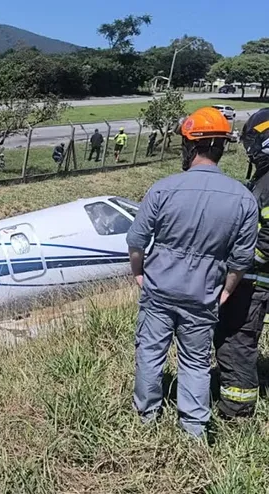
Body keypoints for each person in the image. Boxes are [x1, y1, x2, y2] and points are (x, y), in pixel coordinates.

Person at [126, 106, 258, 439]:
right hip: (204, 294)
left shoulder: (163, 188)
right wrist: (225, 291)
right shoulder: (243, 199)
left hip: (159, 288)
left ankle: (146, 417)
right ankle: (194, 428)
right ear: (221, 147)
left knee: (150, 353)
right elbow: (240, 260)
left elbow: (137, 241)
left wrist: (140, 274)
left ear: (189, 145)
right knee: (195, 362)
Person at [214, 108, 269, 419]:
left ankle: (236, 412)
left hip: (256, 281)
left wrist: (243, 266)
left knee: (237, 341)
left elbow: (267, 239)